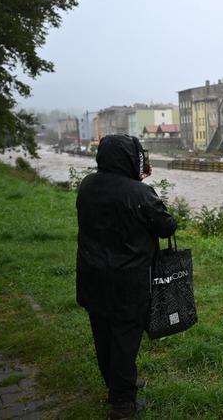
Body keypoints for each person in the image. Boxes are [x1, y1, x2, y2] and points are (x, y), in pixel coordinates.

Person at [76, 134, 176, 419]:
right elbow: (166, 226)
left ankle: (116, 385)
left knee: (103, 335)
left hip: (91, 276)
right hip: (127, 282)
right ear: (129, 158)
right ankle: (122, 403)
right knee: (124, 340)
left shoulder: (87, 185)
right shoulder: (139, 193)